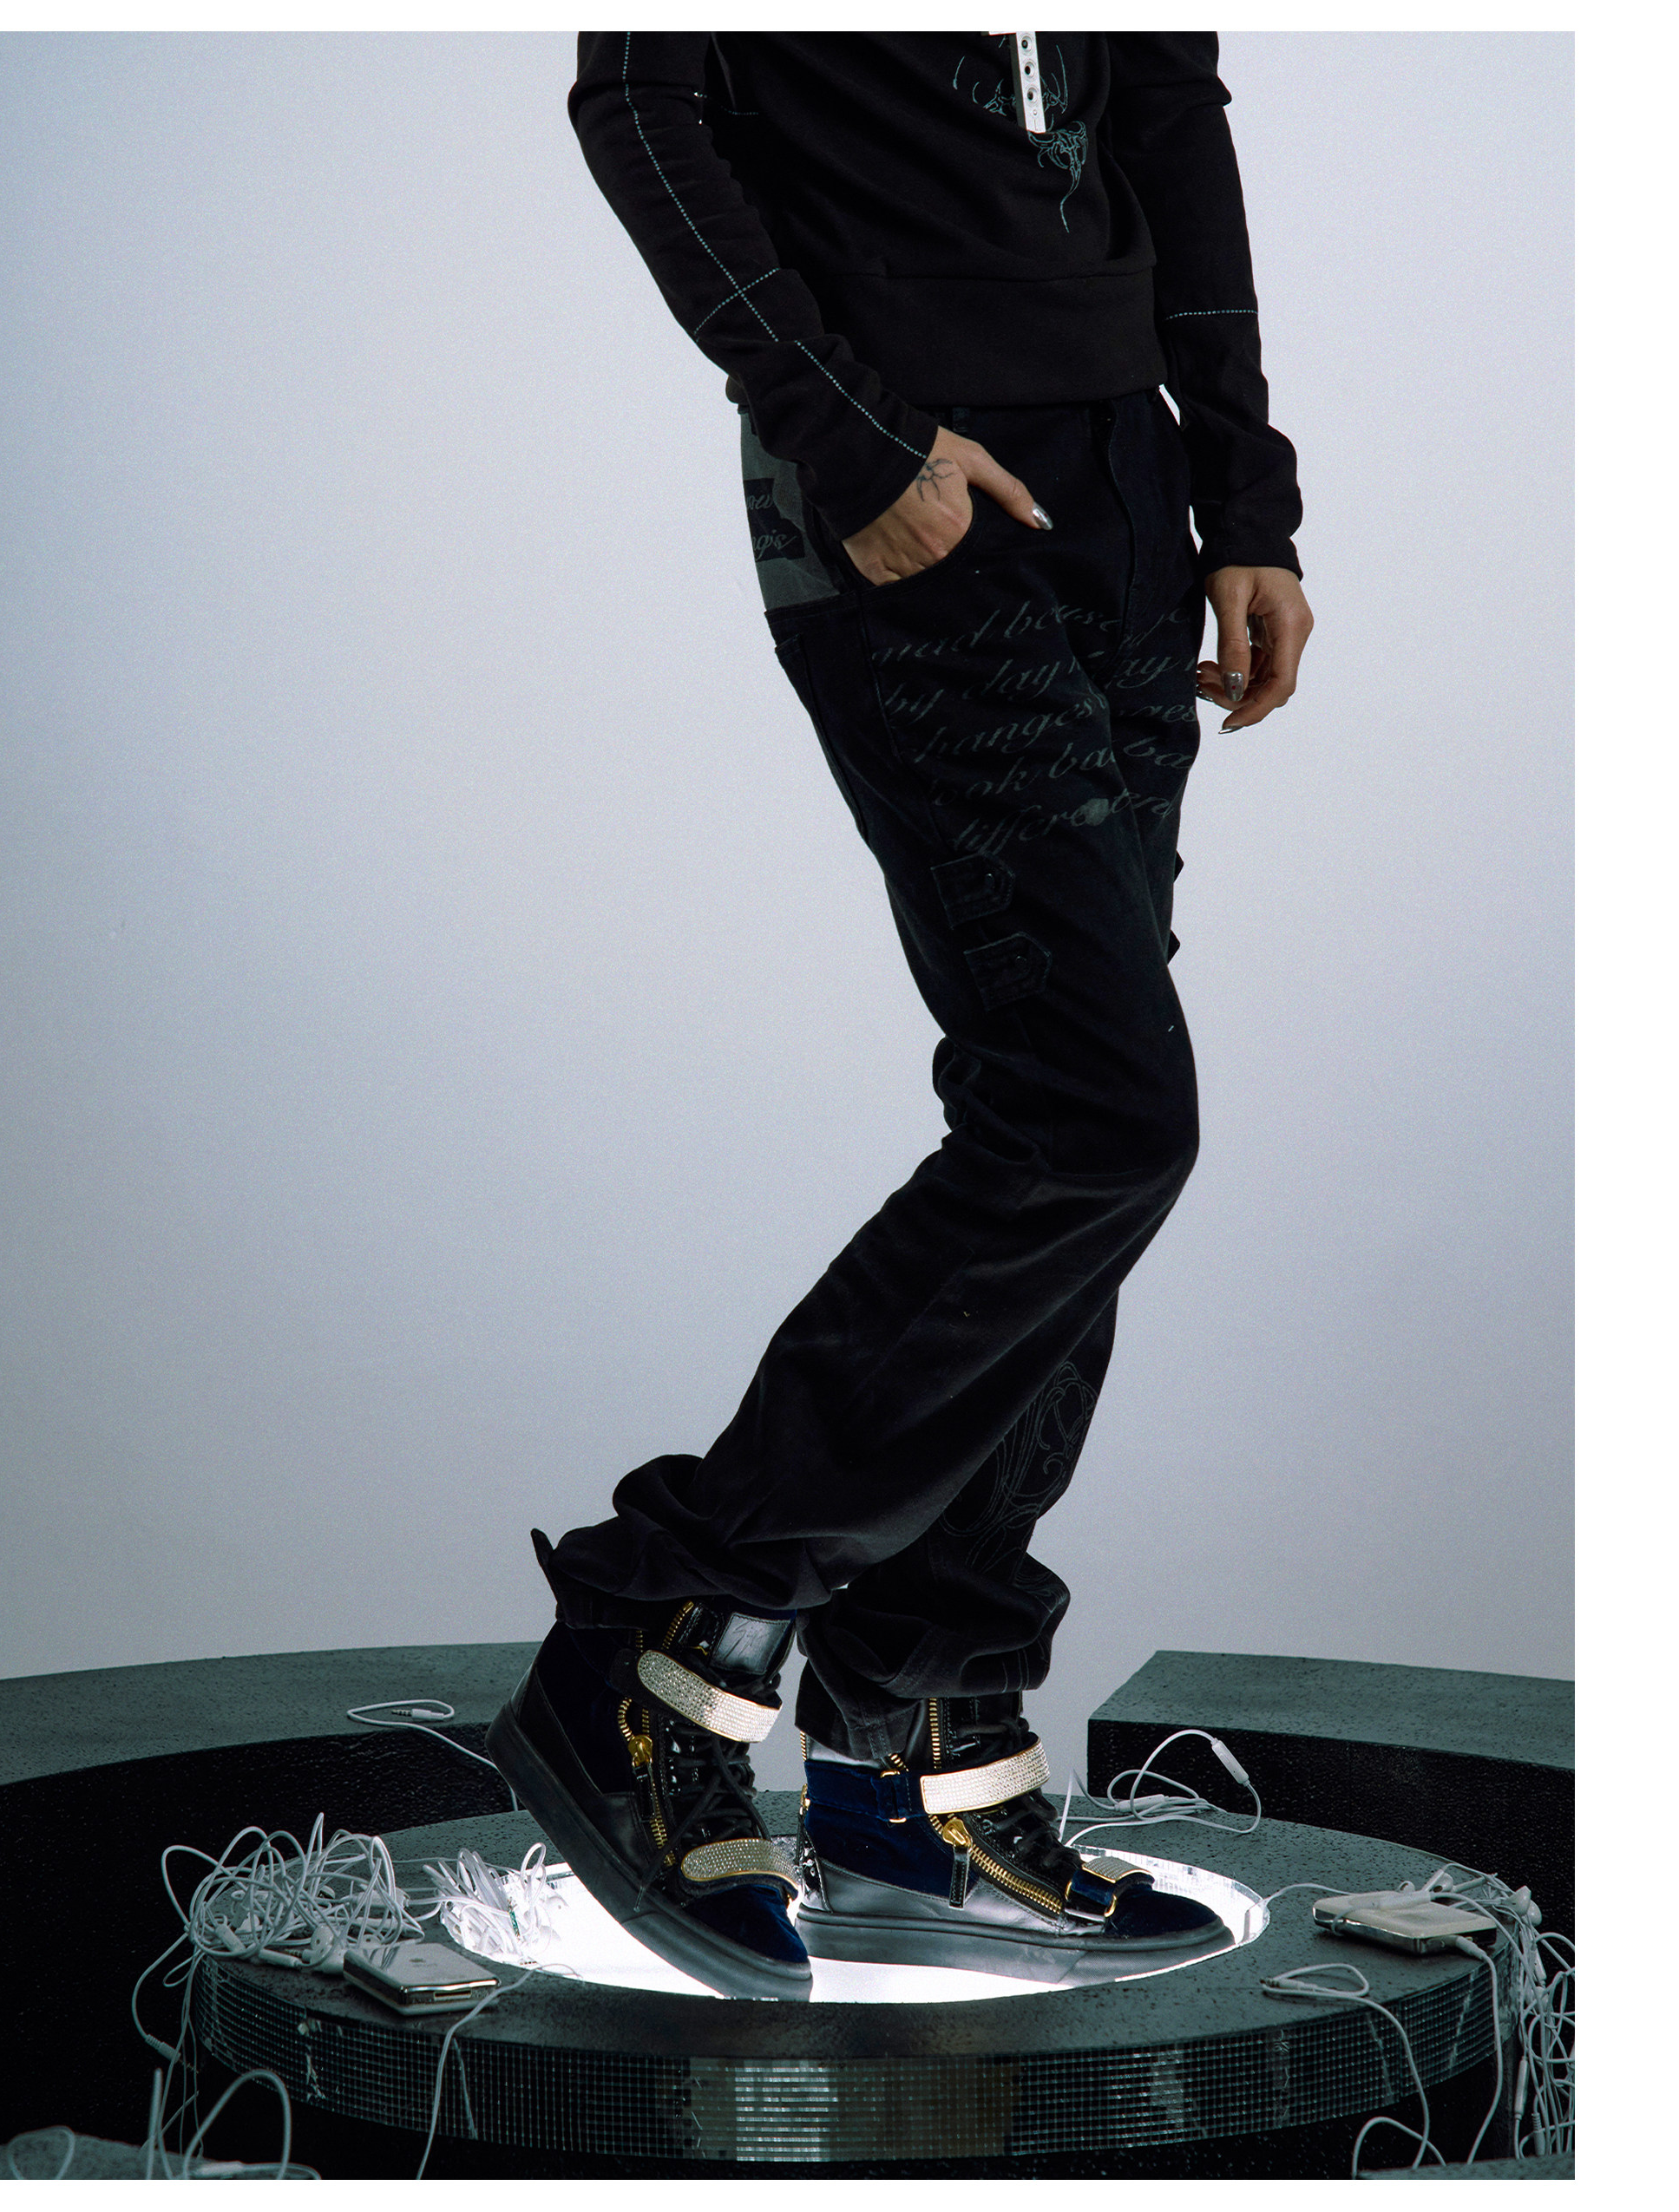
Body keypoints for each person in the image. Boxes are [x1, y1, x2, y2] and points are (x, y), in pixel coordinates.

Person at [489, 30, 1315, 2000]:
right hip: (908, 469)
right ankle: (666, 1631)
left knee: (1075, 1122)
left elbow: (1165, 105)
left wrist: (1242, 481)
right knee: (1098, 1113)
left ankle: (919, 1741)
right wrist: (844, 432)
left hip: (1125, 473)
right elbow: (641, 100)